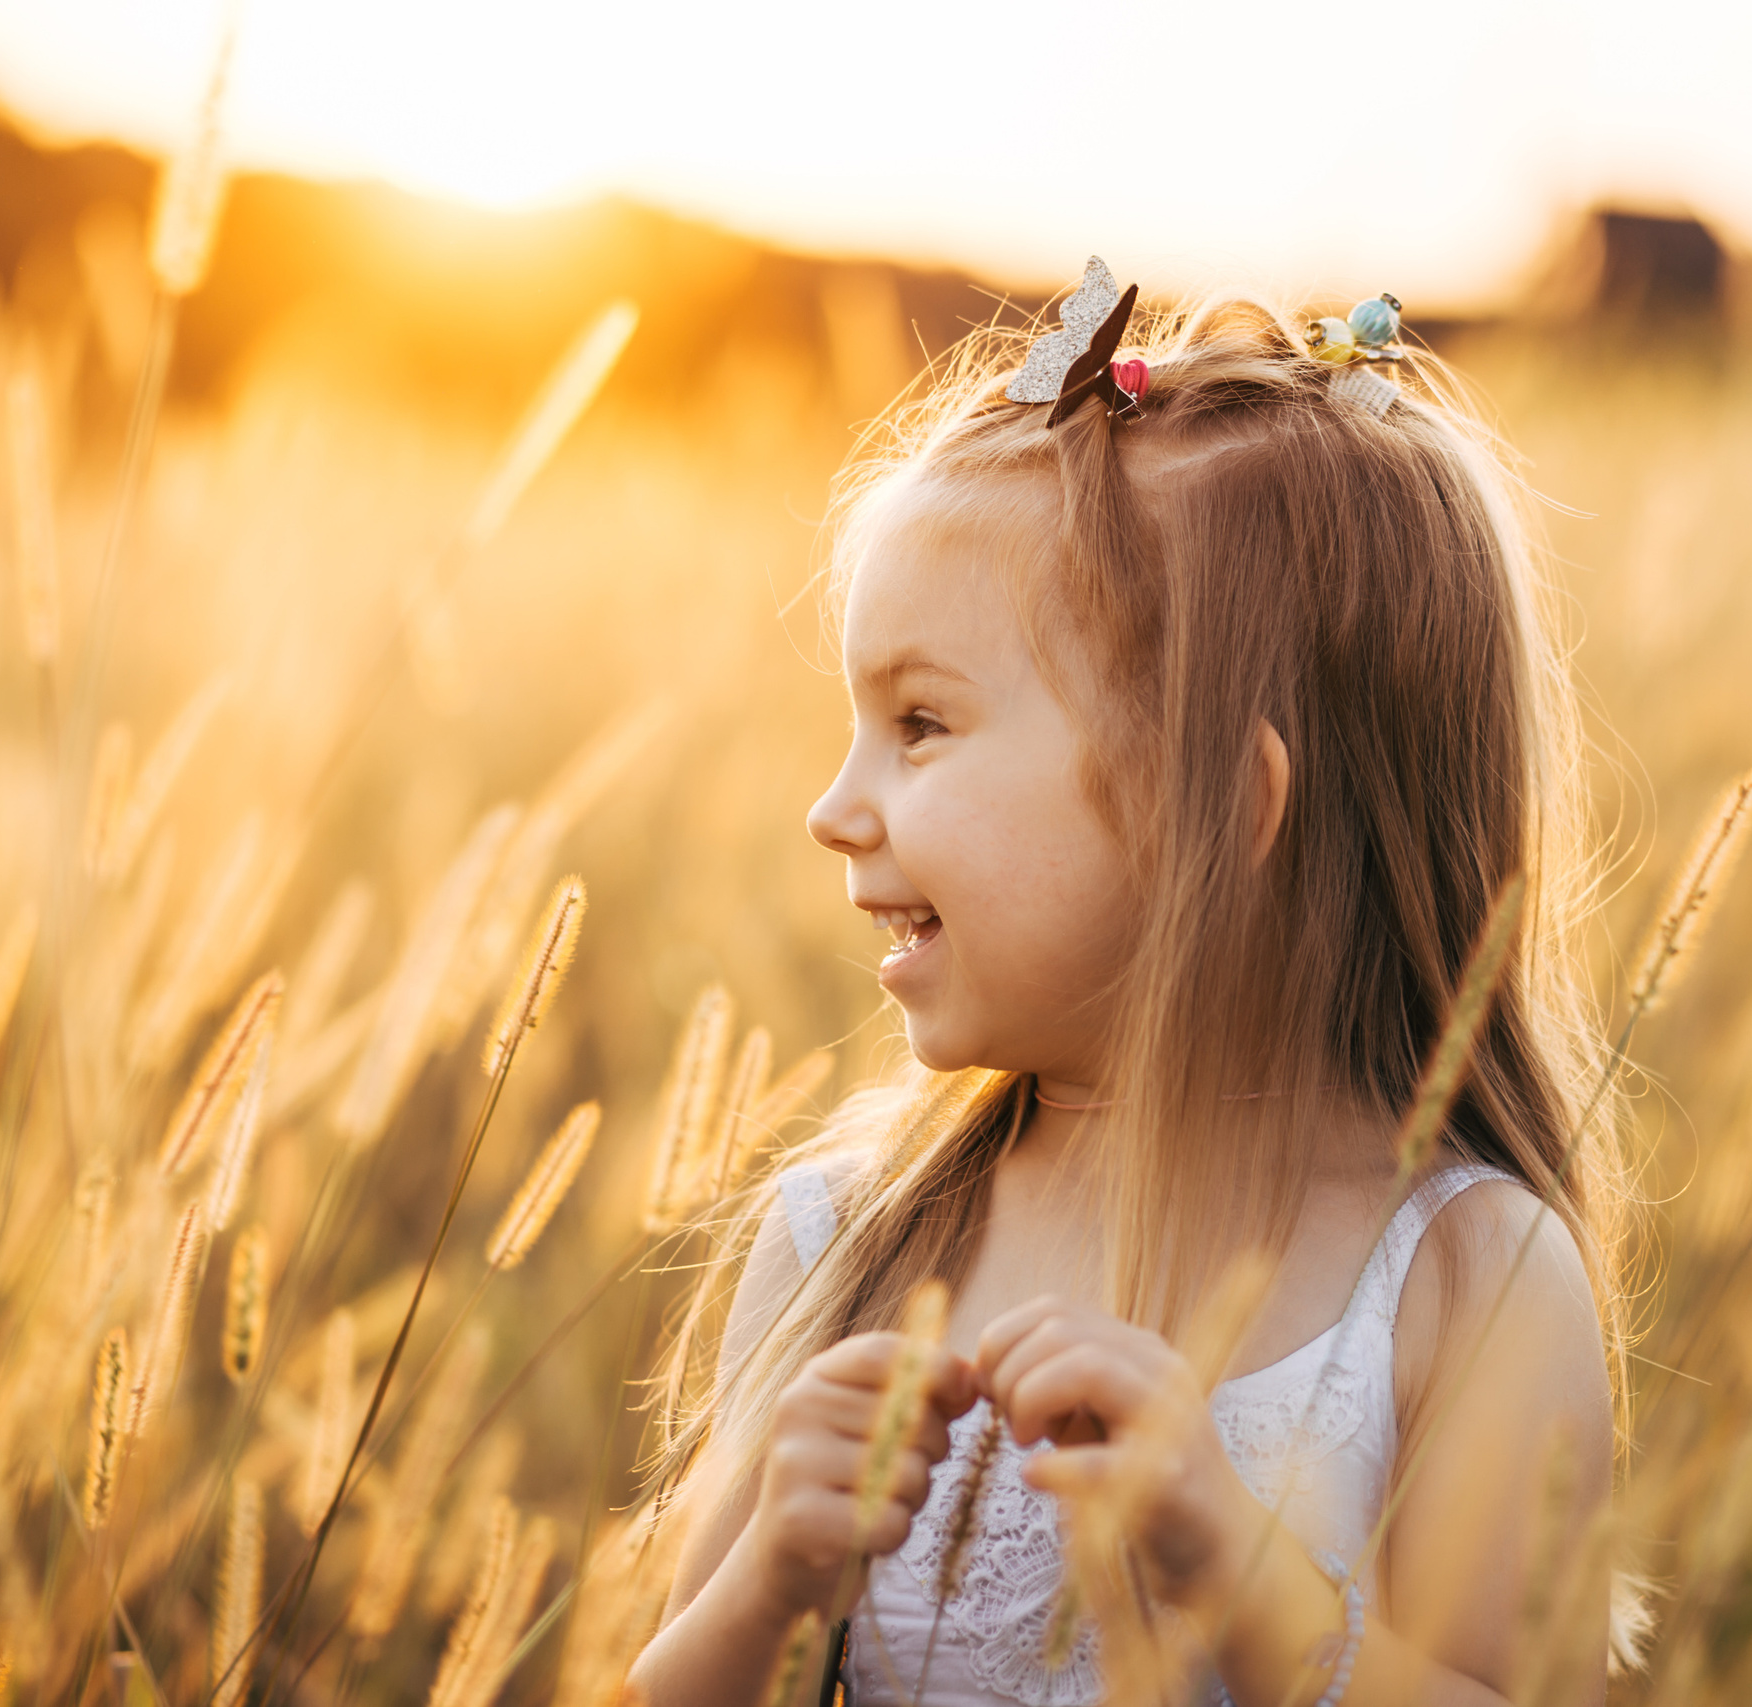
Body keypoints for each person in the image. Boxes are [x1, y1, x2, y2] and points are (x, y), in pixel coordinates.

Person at [628, 269, 1638, 1707]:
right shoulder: (847, 1249)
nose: (835, 808)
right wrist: (763, 1588)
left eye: (920, 725)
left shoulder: (1466, 1289)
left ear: (1217, 805)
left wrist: (1236, 1565)